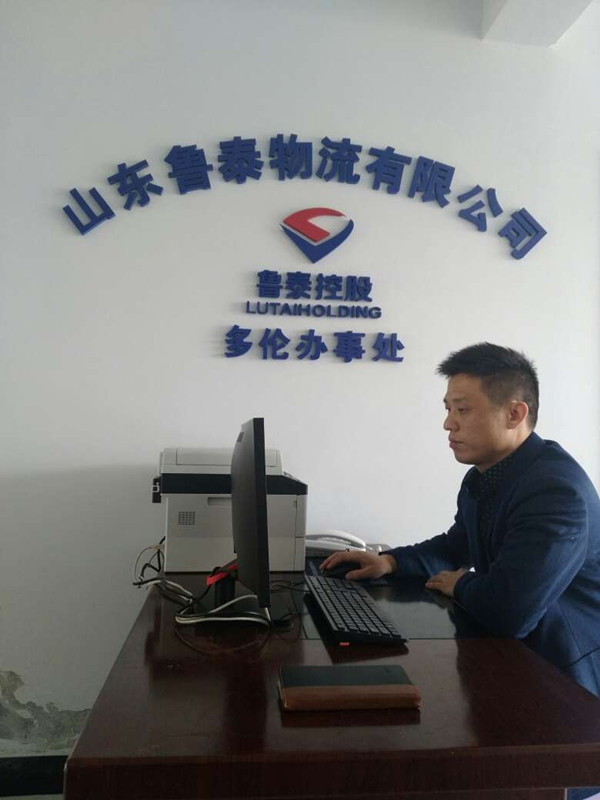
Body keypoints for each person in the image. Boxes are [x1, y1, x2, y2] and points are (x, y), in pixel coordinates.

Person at [322, 343, 600, 695]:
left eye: (463, 410)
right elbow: (457, 546)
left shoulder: (556, 491)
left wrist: (461, 584)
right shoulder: (485, 475)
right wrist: (389, 562)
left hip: (560, 680)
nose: (448, 424)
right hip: (507, 658)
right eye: (448, 408)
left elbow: (511, 611)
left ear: (515, 414)